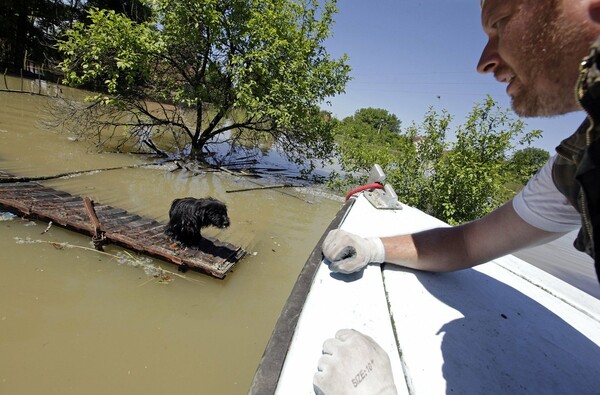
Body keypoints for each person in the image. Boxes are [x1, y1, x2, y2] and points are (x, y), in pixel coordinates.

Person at [315, 0, 600, 393]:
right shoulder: (576, 165)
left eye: (500, 23)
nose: (484, 62)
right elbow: (467, 243)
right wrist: (371, 247)